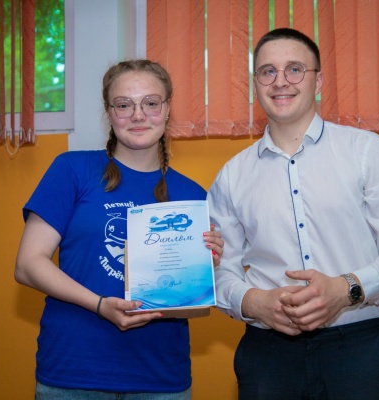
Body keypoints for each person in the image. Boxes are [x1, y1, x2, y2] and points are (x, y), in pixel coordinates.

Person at [207, 28, 379, 400]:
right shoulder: (232, 175)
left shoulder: (366, 151)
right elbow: (218, 268)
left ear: (318, 81)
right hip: (267, 355)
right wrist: (253, 302)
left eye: (295, 69)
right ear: (256, 83)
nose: (280, 82)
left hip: (358, 351)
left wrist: (347, 288)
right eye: (268, 72)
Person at [15, 59, 224, 400]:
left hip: (160, 377)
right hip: (73, 372)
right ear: (109, 112)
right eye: (124, 105)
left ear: (167, 108)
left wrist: (205, 267)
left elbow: (190, 301)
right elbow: (28, 264)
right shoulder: (72, 169)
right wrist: (100, 305)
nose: (138, 115)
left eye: (151, 103)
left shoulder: (192, 195)